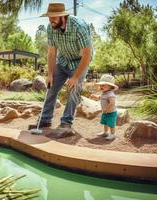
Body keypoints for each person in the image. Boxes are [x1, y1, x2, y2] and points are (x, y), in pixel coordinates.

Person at [28, 2, 93, 134]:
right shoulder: (51, 27)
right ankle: (45, 120)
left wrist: (75, 77)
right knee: (51, 87)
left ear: (63, 17)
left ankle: (66, 124)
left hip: (80, 61)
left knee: (73, 89)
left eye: (54, 18)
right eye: (49, 18)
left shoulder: (78, 26)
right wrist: (50, 74)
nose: (51, 21)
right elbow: (52, 52)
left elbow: (87, 54)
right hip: (63, 60)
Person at [90, 74, 118, 140]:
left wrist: (106, 109)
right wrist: (95, 96)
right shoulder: (104, 93)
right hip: (105, 112)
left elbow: (112, 103)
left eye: (103, 85)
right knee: (105, 122)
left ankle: (113, 134)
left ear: (110, 86)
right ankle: (105, 132)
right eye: (101, 85)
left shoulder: (111, 94)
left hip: (111, 112)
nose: (101, 87)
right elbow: (100, 97)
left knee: (111, 124)